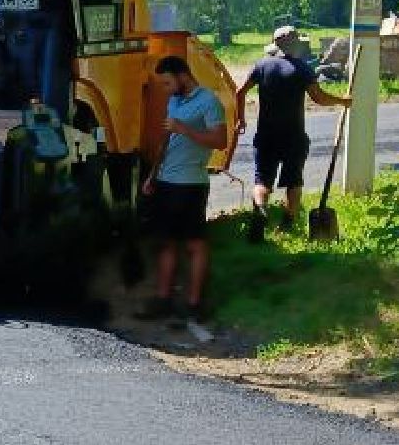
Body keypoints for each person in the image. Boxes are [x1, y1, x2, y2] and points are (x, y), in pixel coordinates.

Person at [237, 25, 350, 240]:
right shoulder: (302, 68)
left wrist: (241, 118)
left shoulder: (262, 66)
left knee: (262, 181)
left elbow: (239, 91)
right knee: (293, 181)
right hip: (294, 136)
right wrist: (342, 101)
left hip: (266, 135)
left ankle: (261, 209)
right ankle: (288, 224)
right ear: (296, 44)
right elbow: (319, 98)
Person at [143, 55, 228, 321]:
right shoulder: (175, 100)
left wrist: (184, 128)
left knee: (194, 244)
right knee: (166, 242)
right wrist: (152, 174)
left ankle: (194, 303)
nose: (166, 89)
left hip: (190, 184)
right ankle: (163, 298)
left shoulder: (209, 101)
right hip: (166, 180)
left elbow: (220, 140)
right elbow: (166, 140)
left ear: (182, 76)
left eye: (168, 83)